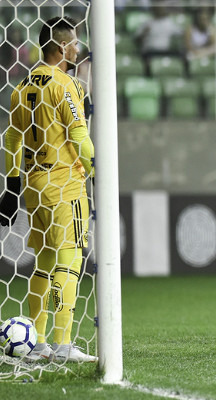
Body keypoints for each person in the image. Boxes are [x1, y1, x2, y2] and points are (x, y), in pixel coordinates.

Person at [0, 16, 97, 363]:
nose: (78, 48)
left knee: (43, 262)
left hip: (33, 184)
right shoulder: (65, 85)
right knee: (68, 260)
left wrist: (11, 186)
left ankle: (37, 342)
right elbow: (78, 137)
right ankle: (63, 343)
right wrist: (96, 170)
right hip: (64, 183)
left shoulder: (22, 86)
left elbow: (12, 137)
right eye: (73, 43)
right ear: (60, 47)